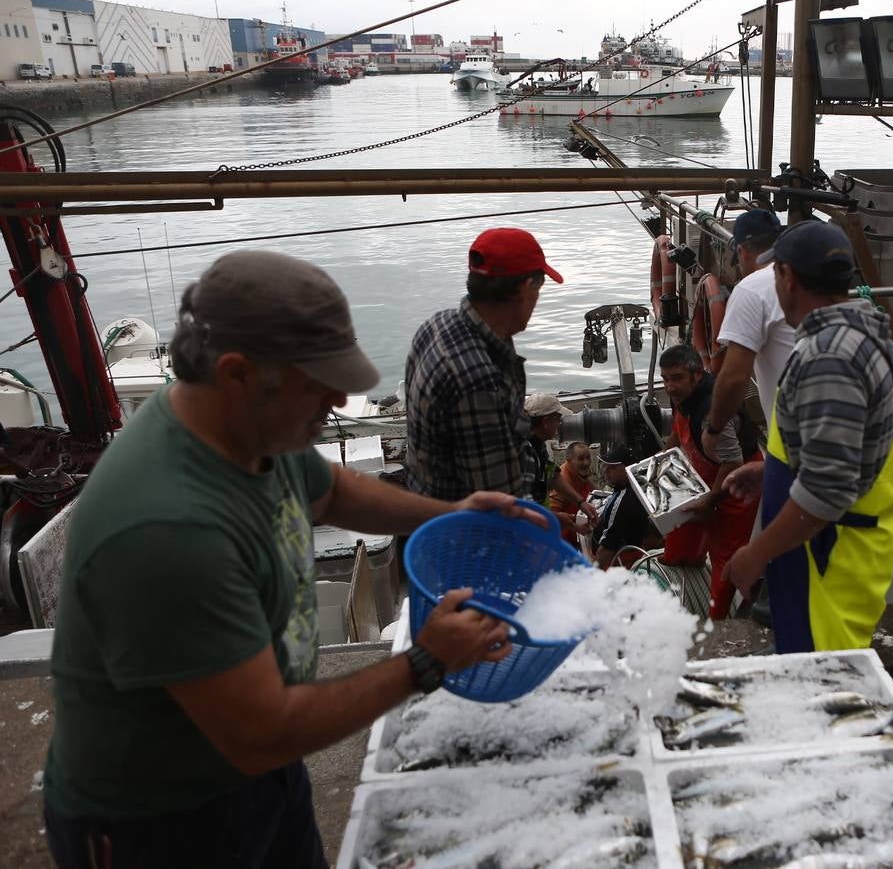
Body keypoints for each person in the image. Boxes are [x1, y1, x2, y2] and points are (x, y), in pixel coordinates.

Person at [42, 251, 539, 869]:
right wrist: (426, 661)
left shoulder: (247, 428)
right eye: (318, 381)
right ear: (237, 373)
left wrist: (450, 511)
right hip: (162, 821)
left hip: (261, 775)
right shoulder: (167, 530)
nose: (336, 399)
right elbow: (261, 734)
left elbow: (327, 487)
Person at [723, 222, 893, 652]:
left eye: (775, 275)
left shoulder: (828, 357)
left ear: (787, 277)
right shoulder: (855, 335)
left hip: (827, 561)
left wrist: (756, 555)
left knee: (824, 681)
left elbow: (827, 491)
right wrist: (772, 471)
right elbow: (842, 448)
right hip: (825, 551)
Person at [404, 227, 563, 503]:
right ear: (526, 289)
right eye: (539, 288)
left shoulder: (435, 325)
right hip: (470, 536)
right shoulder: (477, 381)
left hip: (428, 506)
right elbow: (500, 502)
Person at [659, 343, 762, 618]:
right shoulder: (682, 396)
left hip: (737, 482)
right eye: (665, 379)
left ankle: (719, 621)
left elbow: (733, 462)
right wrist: (662, 458)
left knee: (724, 556)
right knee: (679, 534)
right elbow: (677, 430)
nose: (670, 386)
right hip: (705, 472)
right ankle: (683, 569)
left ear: (696, 375)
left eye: (677, 378)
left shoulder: (709, 410)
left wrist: (710, 503)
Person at [701, 208, 793, 459]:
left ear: (741, 251)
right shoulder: (807, 276)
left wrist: (714, 428)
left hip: (795, 441)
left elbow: (734, 377)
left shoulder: (751, 288)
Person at [520, 392, 597, 530]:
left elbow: (552, 475)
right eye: (558, 419)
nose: (560, 424)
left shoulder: (539, 443)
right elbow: (524, 508)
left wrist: (581, 503)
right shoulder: (525, 453)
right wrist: (558, 518)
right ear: (545, 422)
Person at [591, 444, 661, 569]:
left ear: (627, 468)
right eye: (606, 466)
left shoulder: (624, 500)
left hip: (624, 563)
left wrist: (592, 576)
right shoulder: (635, 487)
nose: (606, 470)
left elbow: (608, 548)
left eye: (612, 467)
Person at [549, 441, 597, 544]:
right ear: (568, 461)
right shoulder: (562, 481)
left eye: (588, 458)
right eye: (580, 459)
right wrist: (575, 527)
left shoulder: (580, 472)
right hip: (562, 538)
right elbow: (551, 517)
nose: (586, 463)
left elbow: (595, 491)